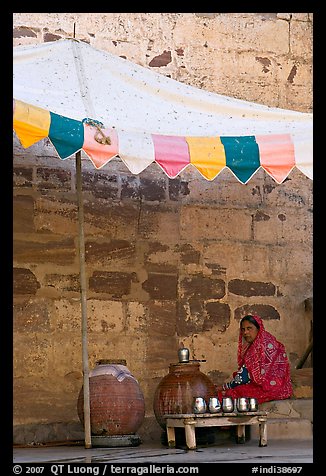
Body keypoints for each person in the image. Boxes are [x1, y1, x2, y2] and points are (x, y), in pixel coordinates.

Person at [216, 314, 293, 404]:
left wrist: (224, 387)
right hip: (277, 387)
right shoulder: (265, 341)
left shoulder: (260, 347)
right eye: (243, 329)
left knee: (229, 395)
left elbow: (244, 376)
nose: (245, 333)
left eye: (249, 328)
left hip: (270, 388)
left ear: (258, 328)